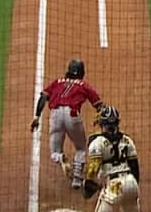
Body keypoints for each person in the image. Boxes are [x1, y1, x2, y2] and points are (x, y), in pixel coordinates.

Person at [30, 58, 104, 190]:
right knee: (80, 148)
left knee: (54, 152)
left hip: (55, 115)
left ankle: (60, 158)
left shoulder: (57, 82)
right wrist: (101, 118)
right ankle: (76, 179)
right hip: (73, 115)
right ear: (82, 72)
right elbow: (98, 104)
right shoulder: (83, 85)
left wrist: (36, 116)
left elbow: (43, 97)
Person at [81, 105, 141, 212]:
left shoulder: (97, 142)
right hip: (132, 183)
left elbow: (93, 169)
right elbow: (135, 167)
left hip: (114, 186)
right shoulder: (127, 140)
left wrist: (88, 184)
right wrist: (132, 186)